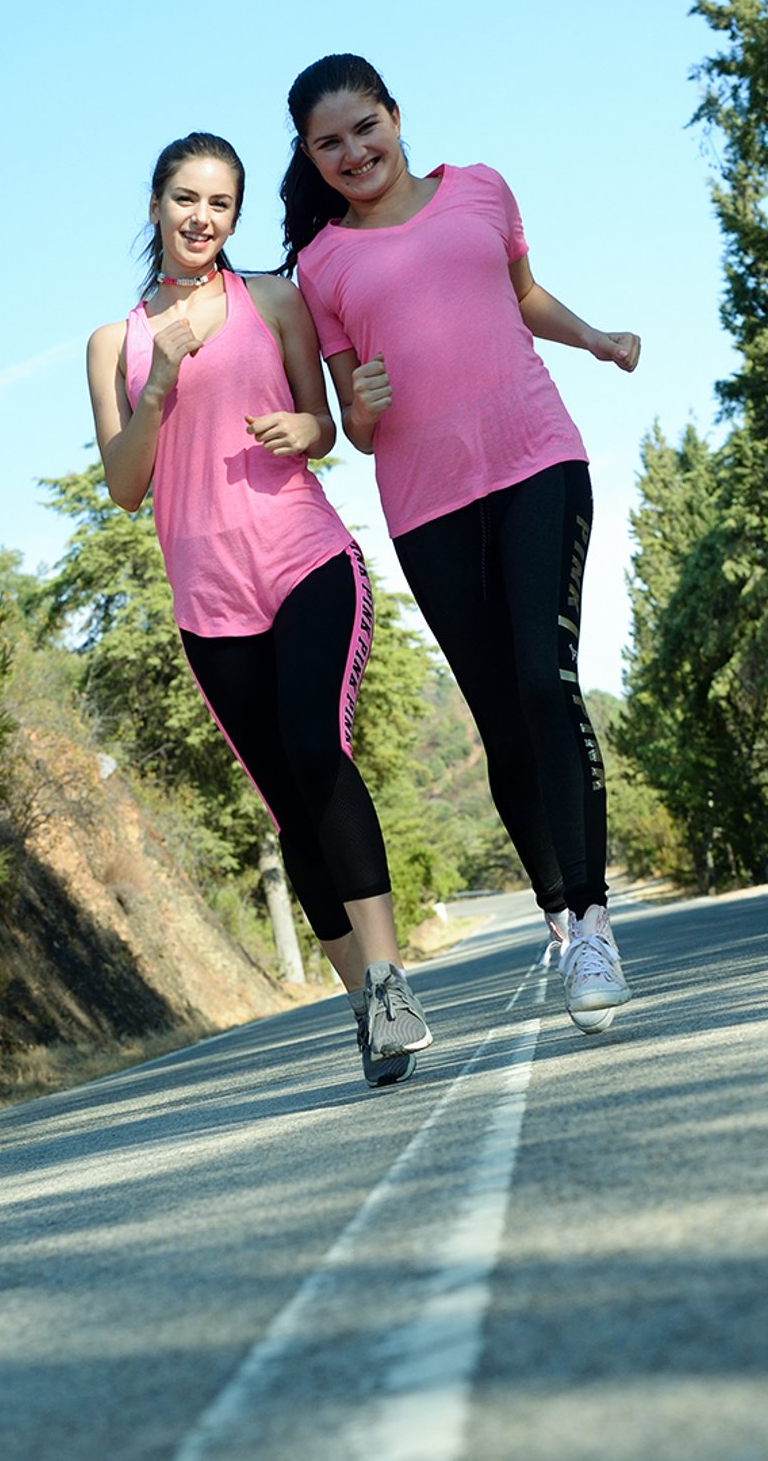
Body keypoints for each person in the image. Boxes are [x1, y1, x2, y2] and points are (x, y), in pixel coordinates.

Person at [279, 56, 640, 1035]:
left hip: (537, 458)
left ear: (396, 117)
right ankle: (559, 914)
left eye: (364, 127)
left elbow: (524, 297)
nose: (353, 151)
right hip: (428, 502)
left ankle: (598, 922)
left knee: (543, 679)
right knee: (497, 714)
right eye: (329, 142)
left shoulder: (482, 189)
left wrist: (598, 336)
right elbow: (353, 420)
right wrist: (356, 404)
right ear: (312, 157)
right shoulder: (322, 266)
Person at [86, 130, 432, 1088]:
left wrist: (306, 425)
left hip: (302, 556)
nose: (203, 218)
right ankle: (367, 1003)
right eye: (186, 199)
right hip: (208, 596)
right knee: (289, 804)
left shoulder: (273, 298)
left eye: (221, 204)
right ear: (155, 204)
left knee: (318, 751)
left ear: (235, 216)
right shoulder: (113, 343)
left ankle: (395, 980)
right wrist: (158, 379)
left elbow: (326, 426)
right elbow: (123, 485)